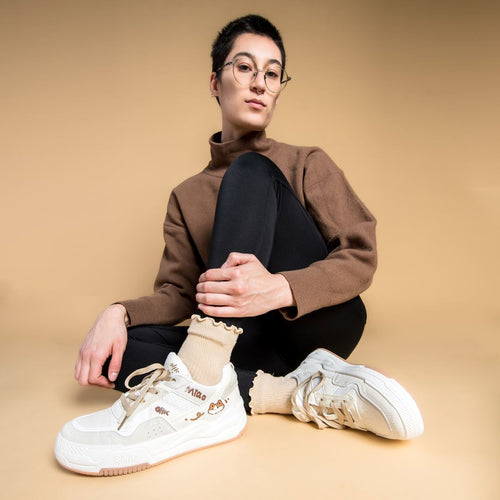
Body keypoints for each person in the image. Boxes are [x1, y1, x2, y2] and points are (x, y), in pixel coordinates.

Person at [55, 14, 423, 476]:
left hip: (318, 327)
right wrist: (118, 314)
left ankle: (199, 388)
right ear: (216, 82)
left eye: (272, 73)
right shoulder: (186, 196)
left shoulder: (305, 162)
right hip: (246, 345)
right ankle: (291, 394)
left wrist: (279, 289)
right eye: (245, 68)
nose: (260, 84)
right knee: (115, 350)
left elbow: (360, 253)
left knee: (249, 170)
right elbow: (178, 295)